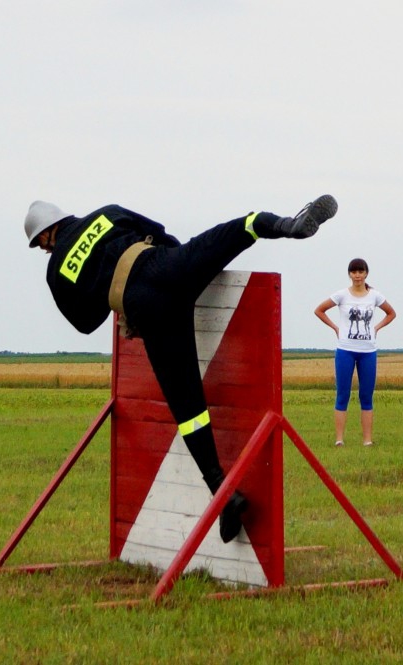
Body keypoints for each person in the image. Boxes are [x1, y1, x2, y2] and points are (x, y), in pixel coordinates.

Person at [24, 195, 338, 543]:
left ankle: (223, 494)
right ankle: (287, 225)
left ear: (43, 237)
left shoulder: (57, 271)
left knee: (189, 410)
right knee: (238, 229)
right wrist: (186, 267)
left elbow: (85, 323)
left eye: (40, 246)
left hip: (146, 307)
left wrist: (109, 290)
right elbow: (159, 233)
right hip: (169, 264)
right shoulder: (106, 214)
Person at [314, 258, 397, 447]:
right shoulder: (342, 295)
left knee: (366, 396)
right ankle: (339, 439)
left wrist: (377, 328)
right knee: (342, 394)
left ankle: (367, 440)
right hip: (345, 350)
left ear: (366, 274)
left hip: (368, 351)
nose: (357, 275)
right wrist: (335, 327)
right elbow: (319, 310)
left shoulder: (375, 296)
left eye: (361, 272)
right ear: (349, 274)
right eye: (354, 272)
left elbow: (391, 313)